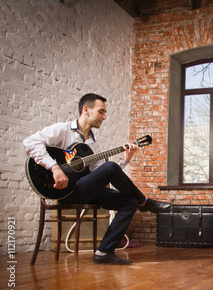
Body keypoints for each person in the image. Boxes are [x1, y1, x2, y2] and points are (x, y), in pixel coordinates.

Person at [24, 93, 171, 265]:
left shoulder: (92, 143)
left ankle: (103, 252)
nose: (104, 116)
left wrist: (126, 160)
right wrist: (54, 167)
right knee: (111, 169)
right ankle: (144, 202)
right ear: (86, 110)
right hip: (64, 190)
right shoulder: (63, 130)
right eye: (101, 111)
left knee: (129, 201)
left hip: (85, 189)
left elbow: (104, 173)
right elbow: (30, 142)